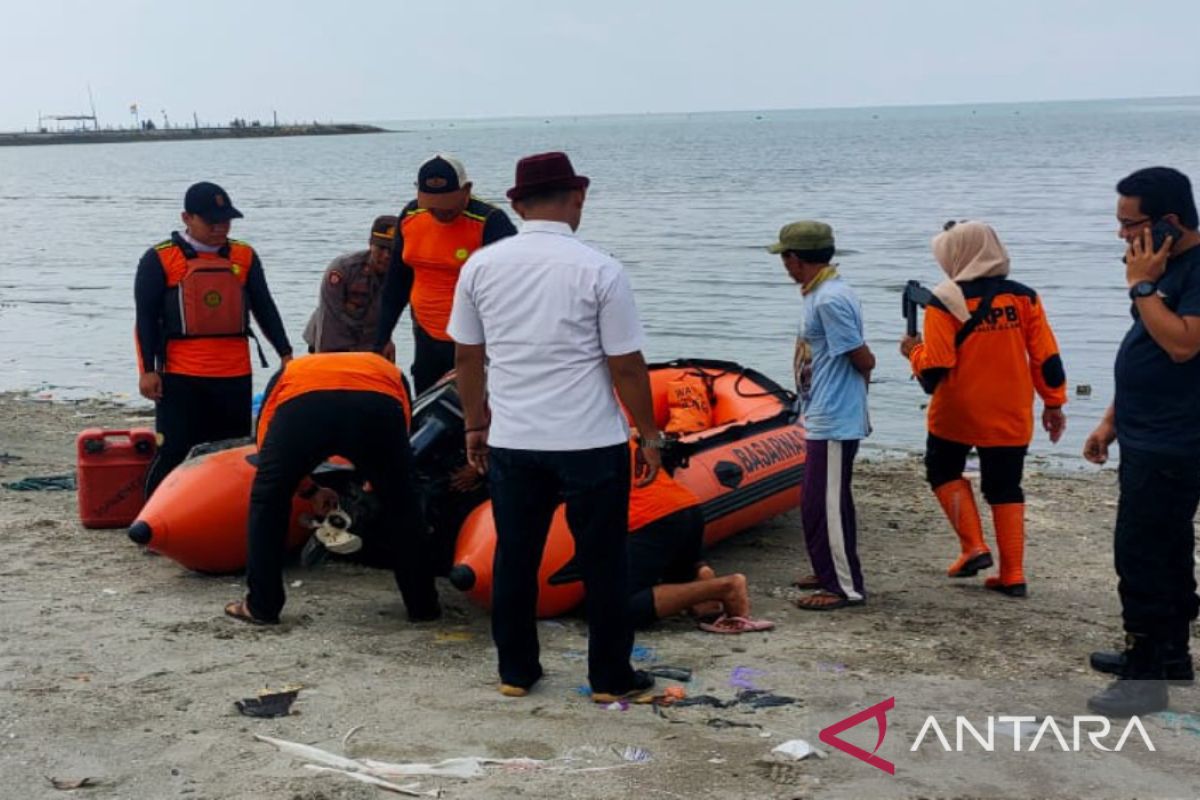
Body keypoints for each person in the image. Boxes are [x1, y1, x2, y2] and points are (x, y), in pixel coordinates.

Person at [448, 151, 662, 702]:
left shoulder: (481, 266)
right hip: (589, 439)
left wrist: (475, 427)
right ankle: (611, 677)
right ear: (577, 198)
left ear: (517, 205)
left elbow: (468, 359)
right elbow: (626, 365)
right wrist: (650, 433)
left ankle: (517, 671)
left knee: (516, 556)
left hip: (515, 439)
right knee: (604, 562)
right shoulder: (599, 269)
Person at [1083, 167, 1200, 716]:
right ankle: (1170, 655)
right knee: (1167, 548)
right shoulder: (1164, 267)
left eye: (1131, 225)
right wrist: (1111, 420)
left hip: (1177, 437)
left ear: (1170, 222)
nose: (1123, 237)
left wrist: (1142, 285)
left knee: (1143, 553)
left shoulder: (1189, 272)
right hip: (1146, 428)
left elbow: (1181, 345)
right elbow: (1146, 345)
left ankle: (1144, 677)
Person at [899, 221, 1067, 598]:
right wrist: (1054, 402)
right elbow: (1047, 357)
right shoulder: (1024, 298)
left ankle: (973, 546)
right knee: (1005, 486)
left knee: (942, 469)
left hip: (957, 410)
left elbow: (937, 361)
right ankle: (1014, 574)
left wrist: (913, 352)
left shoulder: (945, 300)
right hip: (1010, 410)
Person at [223, 352, 439, 625]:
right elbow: (404, 425)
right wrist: (378, 482)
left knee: (268, 499)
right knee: (403, 504)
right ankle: (423, 606)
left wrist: (307, 490)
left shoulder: (291, 370)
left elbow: (265, 444)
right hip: (375, 405)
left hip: (304, 408)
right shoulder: (389, 370)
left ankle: (262, 605)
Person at [135, 182, 292, 497]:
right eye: (211, 221)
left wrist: (285, 354)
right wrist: (147, 371)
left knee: (230, 452)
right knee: (175, 451)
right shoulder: (160, 258)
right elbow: (145, 319)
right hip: (181, 376)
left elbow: (264, 306)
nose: (220, 227)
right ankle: (152, 522)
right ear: (187, 218)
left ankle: (221, 523)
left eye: (226, 220)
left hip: (234, 373)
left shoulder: (244, 255)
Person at [770, 221, 875, 611]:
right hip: (823, 412)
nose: (784, 264)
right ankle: (826, 567)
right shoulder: (820, 293)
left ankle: (844, 588)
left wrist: (856, 394)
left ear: (795, 259)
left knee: (825, 503)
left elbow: (861, 355)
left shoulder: (829, 299)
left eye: (785, 256)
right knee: (817, 499)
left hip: (835, 417)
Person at [374, 155, 518, 394]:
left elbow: (514, 289)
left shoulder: (490, 221)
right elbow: (397, 282)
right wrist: (382, 338)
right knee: (427, 409)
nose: (439, 212)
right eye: (432, 205)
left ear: (467, 190)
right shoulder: (411, 216)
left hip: (477, 340)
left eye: (447, 205)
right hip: (426, 334)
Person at [624, 444, 771, 634]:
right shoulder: (621, 432)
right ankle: (702, 584)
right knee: (674, 568)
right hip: (685, 508)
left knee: (619, 608)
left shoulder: (584, 437)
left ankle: (724, 588)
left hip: (650, 519)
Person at [302, 215, 398, 356]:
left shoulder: (402, 275)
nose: (386, 255)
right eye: (381, 248)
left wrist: (386, 340)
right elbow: (329, 321)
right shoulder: (343, 270)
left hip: (369, 344)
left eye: (392, 250)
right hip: (329, 340)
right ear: (371, 244)